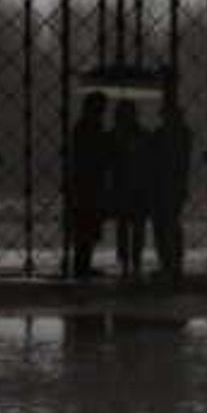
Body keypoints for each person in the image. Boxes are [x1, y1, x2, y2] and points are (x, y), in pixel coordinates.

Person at [143, 92, 193, 286]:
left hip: (165, 185)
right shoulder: (182, 134)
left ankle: (170, 264)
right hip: (172, 185)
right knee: (169, 225)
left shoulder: (167, 134)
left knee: (165, 226)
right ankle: (172, 264)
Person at [66, 91, 113, 280]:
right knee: (87, 226)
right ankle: (82, 266)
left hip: (87, 181)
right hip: (89, 182)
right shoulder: (89, 127)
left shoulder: (83, 126)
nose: (103, 110)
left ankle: (83, 264)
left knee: (86, 226)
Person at [109, 103, 152, 284]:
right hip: (132, 187)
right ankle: (131, 261)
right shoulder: (142, 135)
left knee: (128, 226)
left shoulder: (115, 136)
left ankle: (130, 261)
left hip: (128, 187)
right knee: (130, 227)